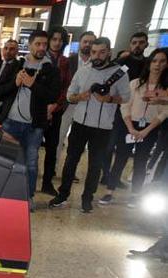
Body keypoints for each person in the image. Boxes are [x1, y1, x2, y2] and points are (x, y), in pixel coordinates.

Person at [49, 37, 131, 213]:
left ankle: (87, 198)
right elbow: (70, 95)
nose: (97, 55)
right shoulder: (83, 71)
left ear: (109, 51)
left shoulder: (119, 73)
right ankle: (63, 195)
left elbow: (126, 97)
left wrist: (109, 99)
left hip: (103, 128)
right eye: (94, 52)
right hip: (79, 124)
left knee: (95, 165)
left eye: (102, 52)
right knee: (70, 161)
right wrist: (80, 97)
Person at [0, 30, 60, 208]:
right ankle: (1, 195)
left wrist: (33, 84)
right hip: (10, 122)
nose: (41, 48)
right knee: (5, 160)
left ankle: (28, 196)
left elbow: (53, 96)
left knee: (31, 163)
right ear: (29, 45)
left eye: (44, 44)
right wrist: (15, 83)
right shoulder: (16, 65)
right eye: (38, 44)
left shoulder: (51, 70)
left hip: (35, 126)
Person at [99, 49, 168, 206]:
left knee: (141, 162)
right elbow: (125, 106)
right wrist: (131, 128)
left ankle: (135, 193)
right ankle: (110, 191)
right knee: (120, 159)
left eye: (162, 61)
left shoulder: (165, 89)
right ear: (149, 63)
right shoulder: (135, 83)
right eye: (155, 60)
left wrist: (146, 131)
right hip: (129, 125)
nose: (158, 65)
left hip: (150, 128)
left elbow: (164, 113)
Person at [100, 32, 151, 187]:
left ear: (146, 44)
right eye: (134, 42)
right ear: (130, 44)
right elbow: (110, 82)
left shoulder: (149, 65)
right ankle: (106, 175)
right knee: (110, 145)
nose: (137, 45)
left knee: (125, 149)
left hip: (139, 113)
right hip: (117, 111)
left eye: (141, 42)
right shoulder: (123, 63)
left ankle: (115, 177)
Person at [56, 31, 96, 172]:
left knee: (77, 143)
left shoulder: (98, 64)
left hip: (87, 108)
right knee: (60, 138)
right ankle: (53, 168)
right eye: (85, 41)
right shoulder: (69, 61)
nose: (88, 44)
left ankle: (70, 171)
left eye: (91, 42)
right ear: (80, 42)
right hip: (67, 106)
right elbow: (61, 83)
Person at [39, 26, 72, 195]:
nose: (57, 43)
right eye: (54, 39)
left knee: (52, 148)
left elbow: (67, 86)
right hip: (38, 109)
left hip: (56, 109)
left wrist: (55, 106)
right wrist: (43, 106)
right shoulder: (40, 57)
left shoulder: (66, 62)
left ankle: (47, 183)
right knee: (33, 146)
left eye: (60, 40)